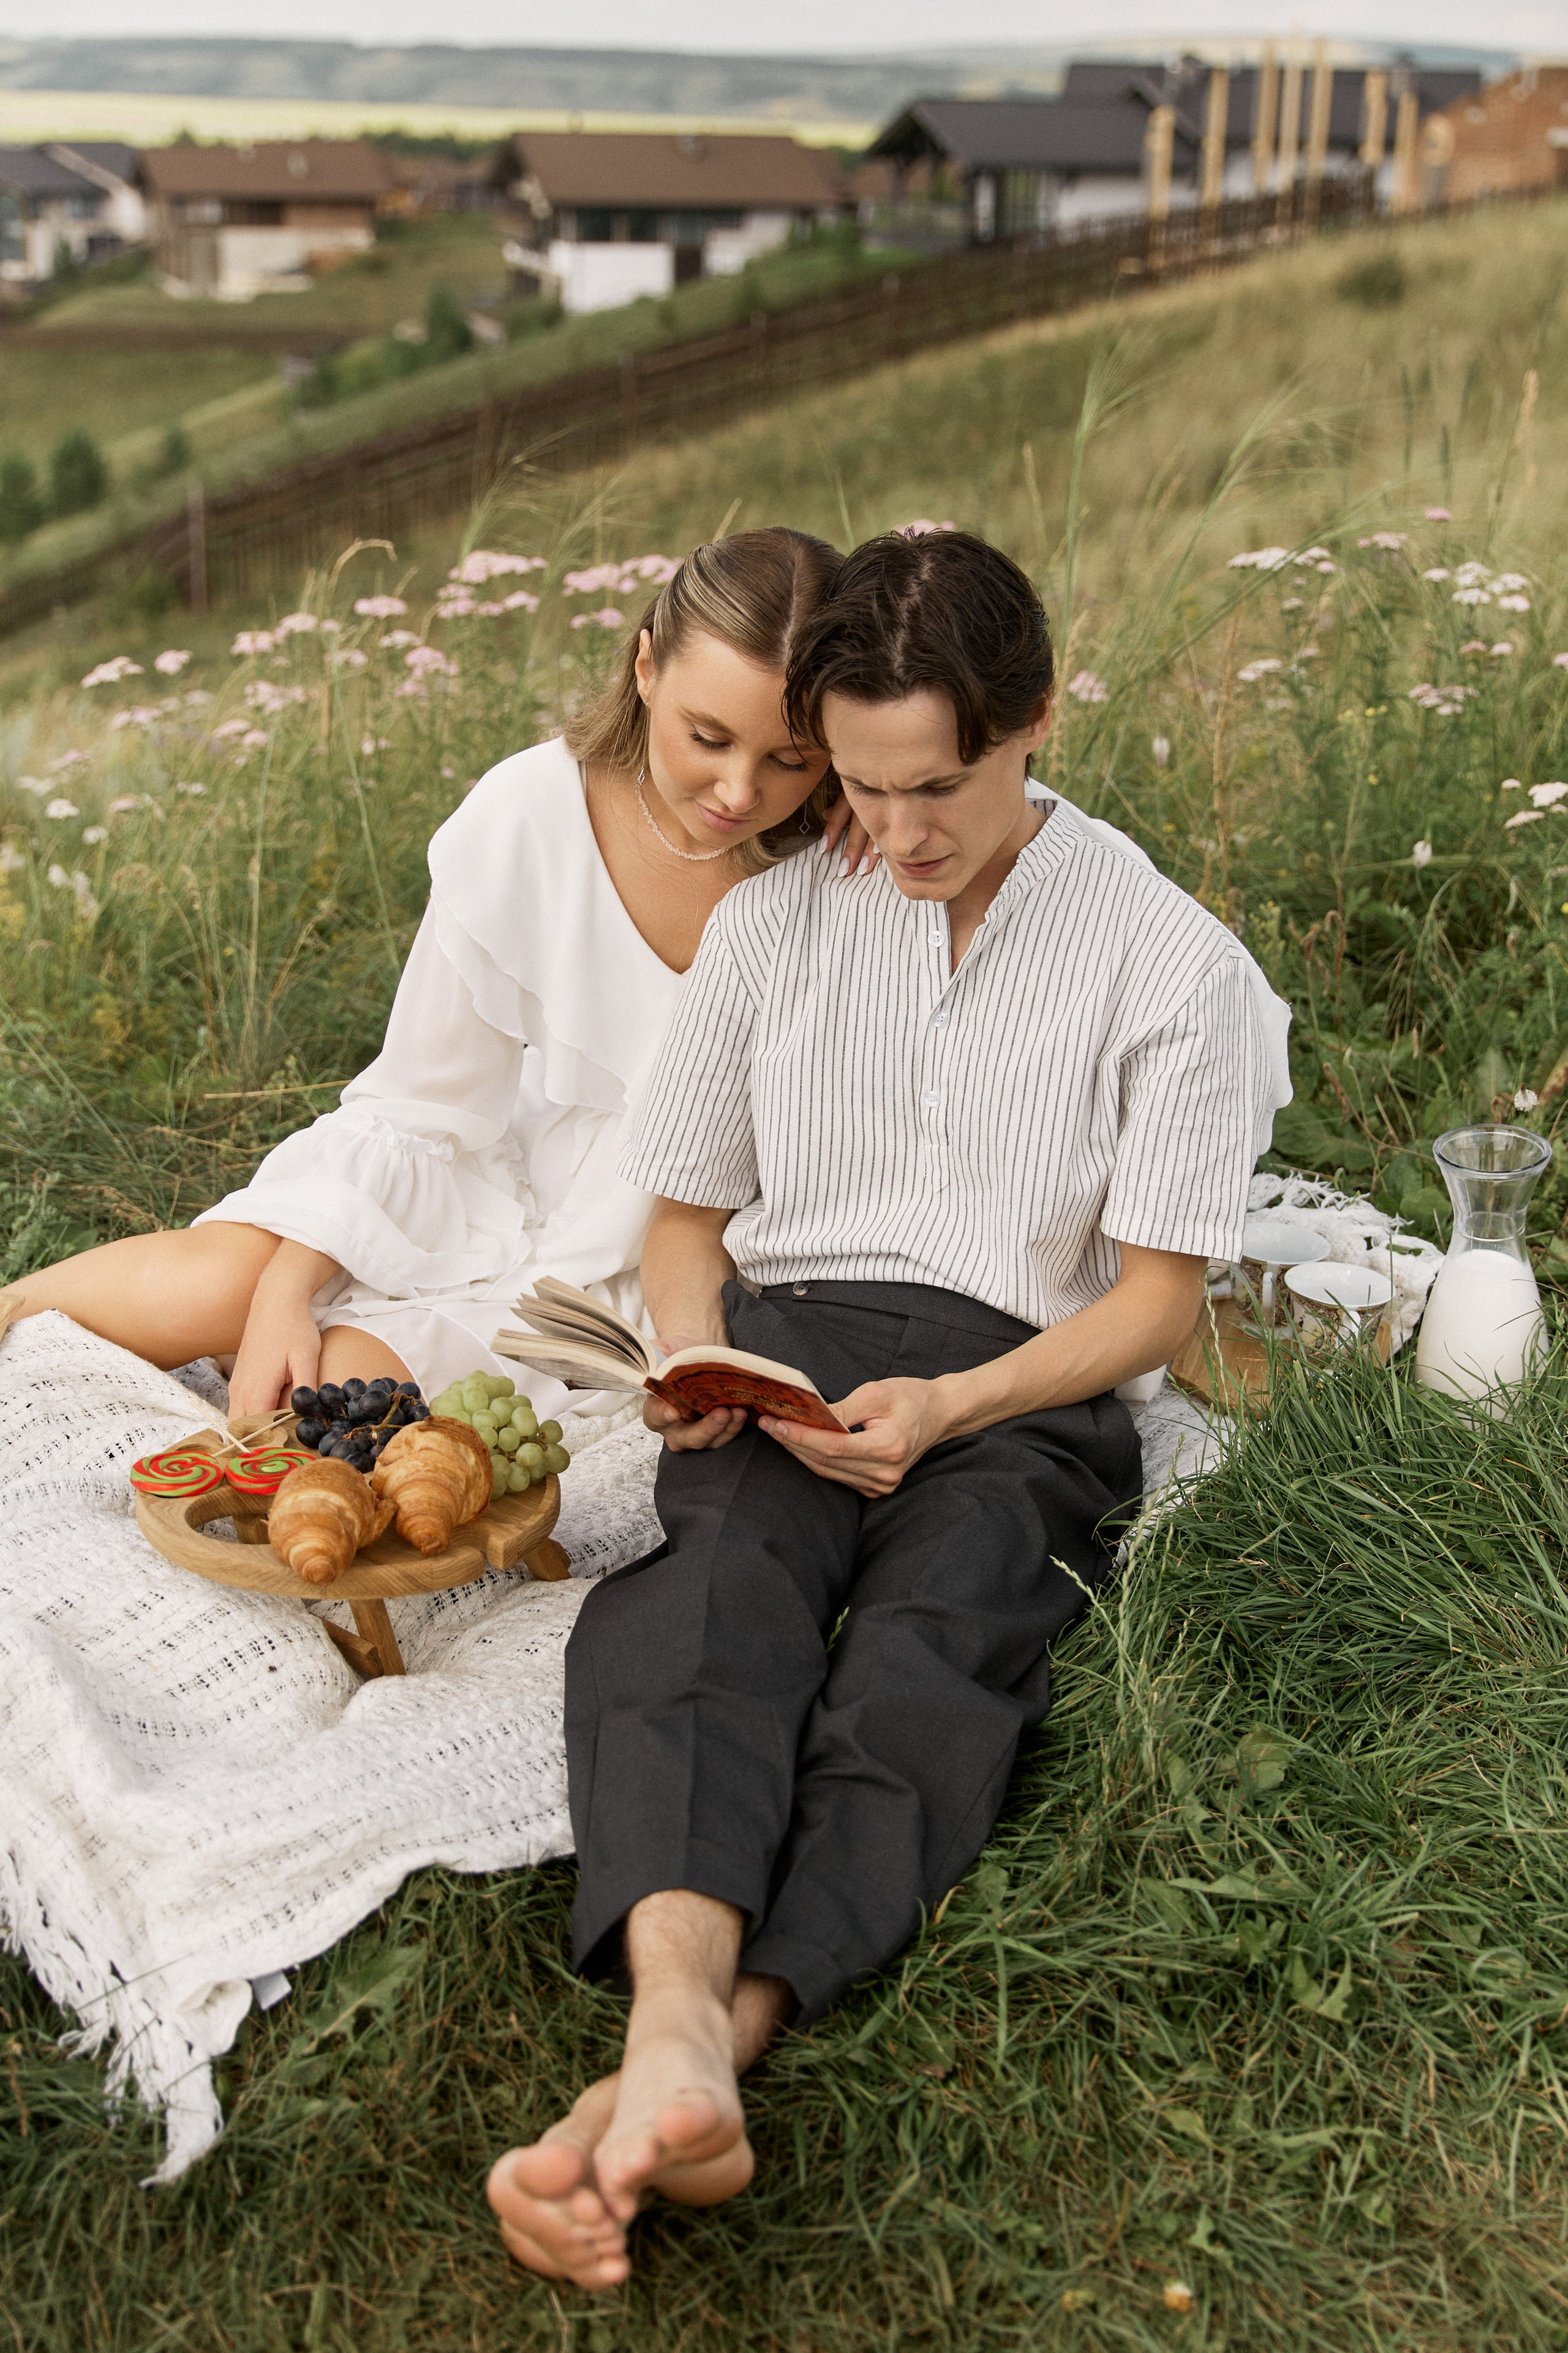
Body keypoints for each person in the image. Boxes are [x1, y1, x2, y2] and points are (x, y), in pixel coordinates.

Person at [487, 528, 1281, 2289]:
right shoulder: (777, 923)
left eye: (943, 784)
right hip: (791, 1349)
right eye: (860, 785)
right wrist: (698, 1357)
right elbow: (684, 1220)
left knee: (937, 1649)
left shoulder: (1165, 957)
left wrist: (956, 1404)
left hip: (1020, 1382)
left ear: (1038, 723)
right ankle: (673, 2013)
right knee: (700, 1601)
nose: (899, 832)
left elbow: (1156, 1299)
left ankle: (715, 2040)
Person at [9, 530, 855, 1419]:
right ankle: (15, 1307)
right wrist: (286, 1285)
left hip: (638, 1254)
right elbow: (420, 1108)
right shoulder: (528, 813)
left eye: (790, 759)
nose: (736, 790)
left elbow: (993, 802)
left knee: (341, 1400)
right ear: (646, 669)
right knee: (231, 1280)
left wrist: (871, 792)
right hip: (486, 1165)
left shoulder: (850, 862)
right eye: (707, 737)